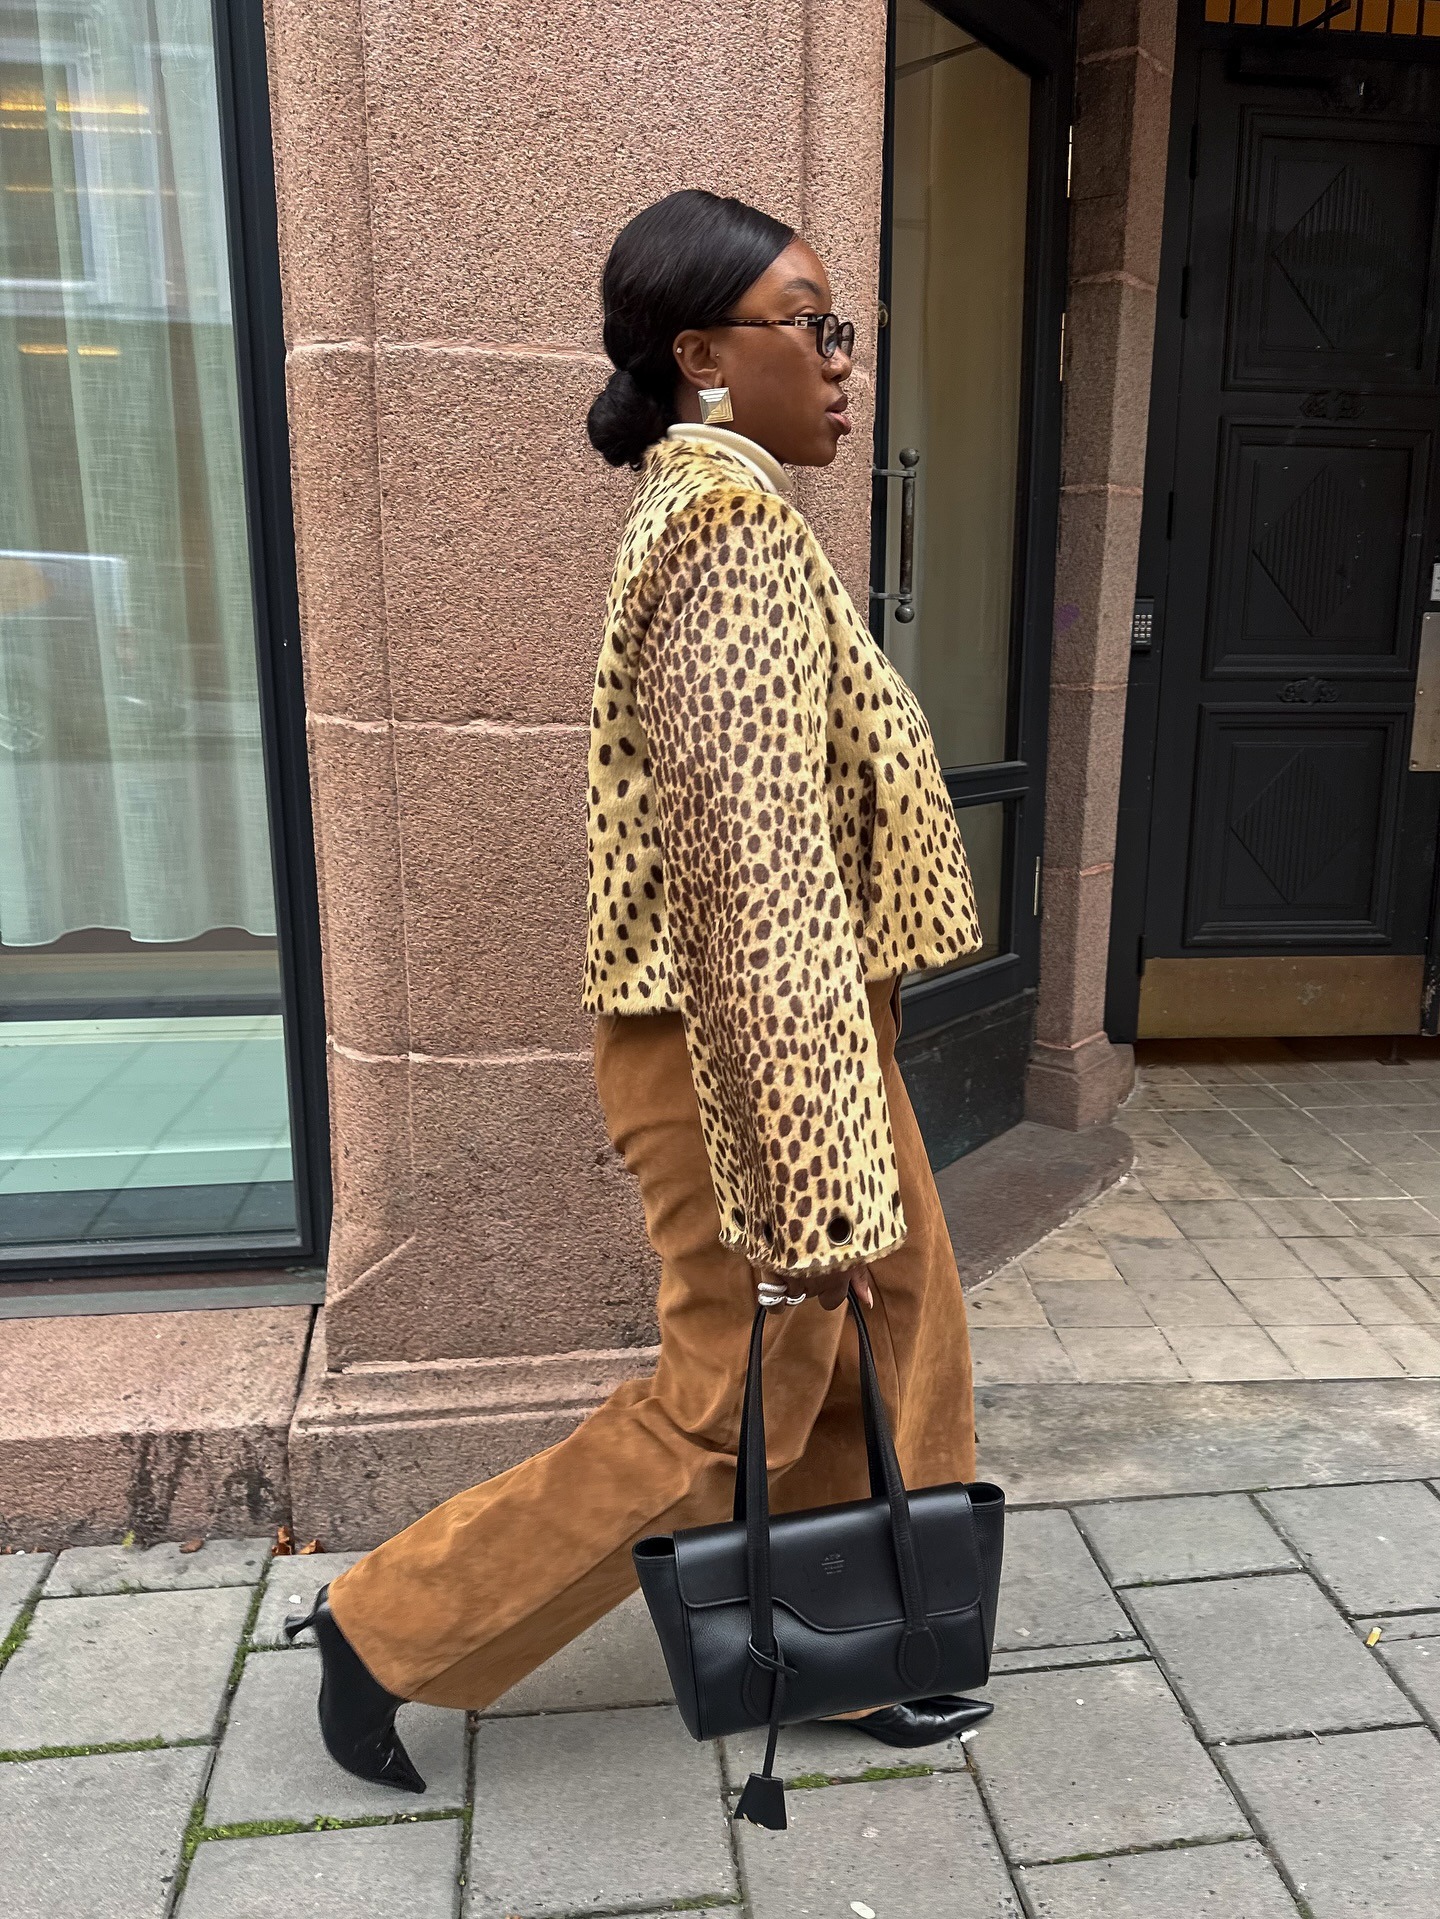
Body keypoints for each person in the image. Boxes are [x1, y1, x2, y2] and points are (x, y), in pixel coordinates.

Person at [287, 189, 988, 1791]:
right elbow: (751, 877)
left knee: (883, 1348)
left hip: (803, 1030)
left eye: (842, 327)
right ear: (703, 356)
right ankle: (386, 1624)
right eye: (809, 324)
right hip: (750, 1050)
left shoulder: (738, 518)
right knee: (728, 1406)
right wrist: (804, 1169)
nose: (842, 359)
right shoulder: (729, 536)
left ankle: (855, 1645)